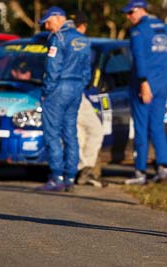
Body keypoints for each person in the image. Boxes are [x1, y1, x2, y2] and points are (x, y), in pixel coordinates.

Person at [122, 0, 167, 185]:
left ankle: (140, 172)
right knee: (157, 127)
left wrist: (143, 83)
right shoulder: (164, 28)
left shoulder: (138, 31)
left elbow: (139, 58)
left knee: (141, 129)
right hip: (161, 86)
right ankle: (163, 168)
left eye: (131, 12)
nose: (128, 17)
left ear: (141, 10)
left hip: (143, 87)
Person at [36, 6, 91, 192]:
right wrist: (79, 86)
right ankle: (70, 177)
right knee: (70, 132)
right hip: (75, 89)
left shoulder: (57, 38)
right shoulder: (83, 39)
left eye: (48, 22)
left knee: (52, 133)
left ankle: (56, 176)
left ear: (59, 18)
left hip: (59, 87)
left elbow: (53, 69)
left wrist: (47, 91)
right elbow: (87, 71)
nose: (46, 27)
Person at [71, 11, 106, 187]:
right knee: (92, 130)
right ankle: (84, 168)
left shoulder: (59, 39)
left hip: (73, 93)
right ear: (83, 26)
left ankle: (82, 169)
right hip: (74, 93)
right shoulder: (79, 42)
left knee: (82, 133)